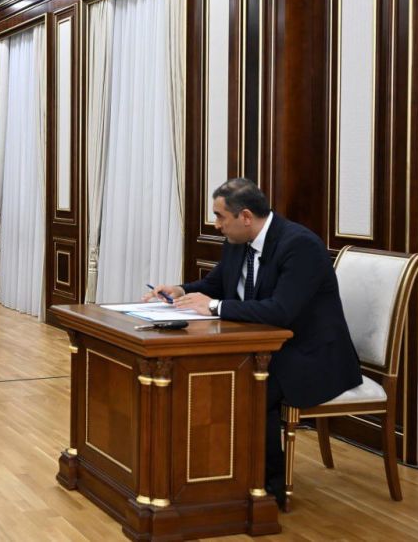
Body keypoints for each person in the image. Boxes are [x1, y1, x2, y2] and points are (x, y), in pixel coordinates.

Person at [145, 177, 361, 508]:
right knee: (214, 375)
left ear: (245, 216)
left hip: (310, 354)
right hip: (265, 348)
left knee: (249, 383)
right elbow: (216, 284)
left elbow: (280, 311)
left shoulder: (300, 246)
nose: (216, 225)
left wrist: (215, 307)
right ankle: (213, 473)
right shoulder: (237, 241)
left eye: (220, 216)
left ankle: (264, 491)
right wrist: (181, 290)